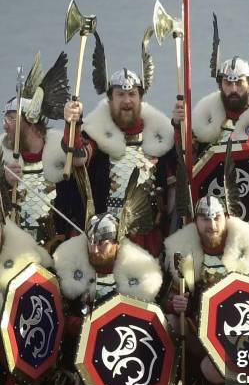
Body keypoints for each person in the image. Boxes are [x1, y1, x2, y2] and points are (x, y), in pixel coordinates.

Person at [172, 15, 249, 301]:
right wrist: (180, 127)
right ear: (220, 85)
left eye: (239, 83)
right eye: (228, 82)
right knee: (209, 289)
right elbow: (186, 163)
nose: (234, 88)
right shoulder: (205, 126)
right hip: (213, 226)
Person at [61, 37, 176, 255]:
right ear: (110, 99)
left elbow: (173, 187)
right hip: (107, 240)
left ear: (140, 98)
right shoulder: (96, 135)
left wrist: (180, 126)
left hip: (150, 236)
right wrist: (72, 124)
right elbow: (78, 158)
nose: (126, 101)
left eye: (132, 94)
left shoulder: (160, 137)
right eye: (120, 95)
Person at [53, 212, 163, 385]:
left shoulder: (139, 273)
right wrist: (81, 325)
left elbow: (154, 319)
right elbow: (59, 316)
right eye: (91, 243)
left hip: (131, 363)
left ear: (116, 243)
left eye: (102, 244)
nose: (94, 250)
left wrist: (173, 306)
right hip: (86, 366)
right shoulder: (70, 273)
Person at [163, 195, 249, 385]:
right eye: (205, 219)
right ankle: (185, 383)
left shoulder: (248, 252)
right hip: (204, 335)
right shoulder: (185, 254)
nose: (212, 225)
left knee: (211, 369)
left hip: (243, 336)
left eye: (217, 218)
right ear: (196, 221)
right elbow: (169, 299)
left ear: (226, 217)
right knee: (172, 323)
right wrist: (178, 304)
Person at [1, 52, 69, 246]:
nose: (5, 126)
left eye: (12, 119)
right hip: (13, 254)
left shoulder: (64, 160)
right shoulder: (2, 159)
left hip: (56, 252)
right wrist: (3, 181)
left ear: (31, 120)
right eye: (5, 119)